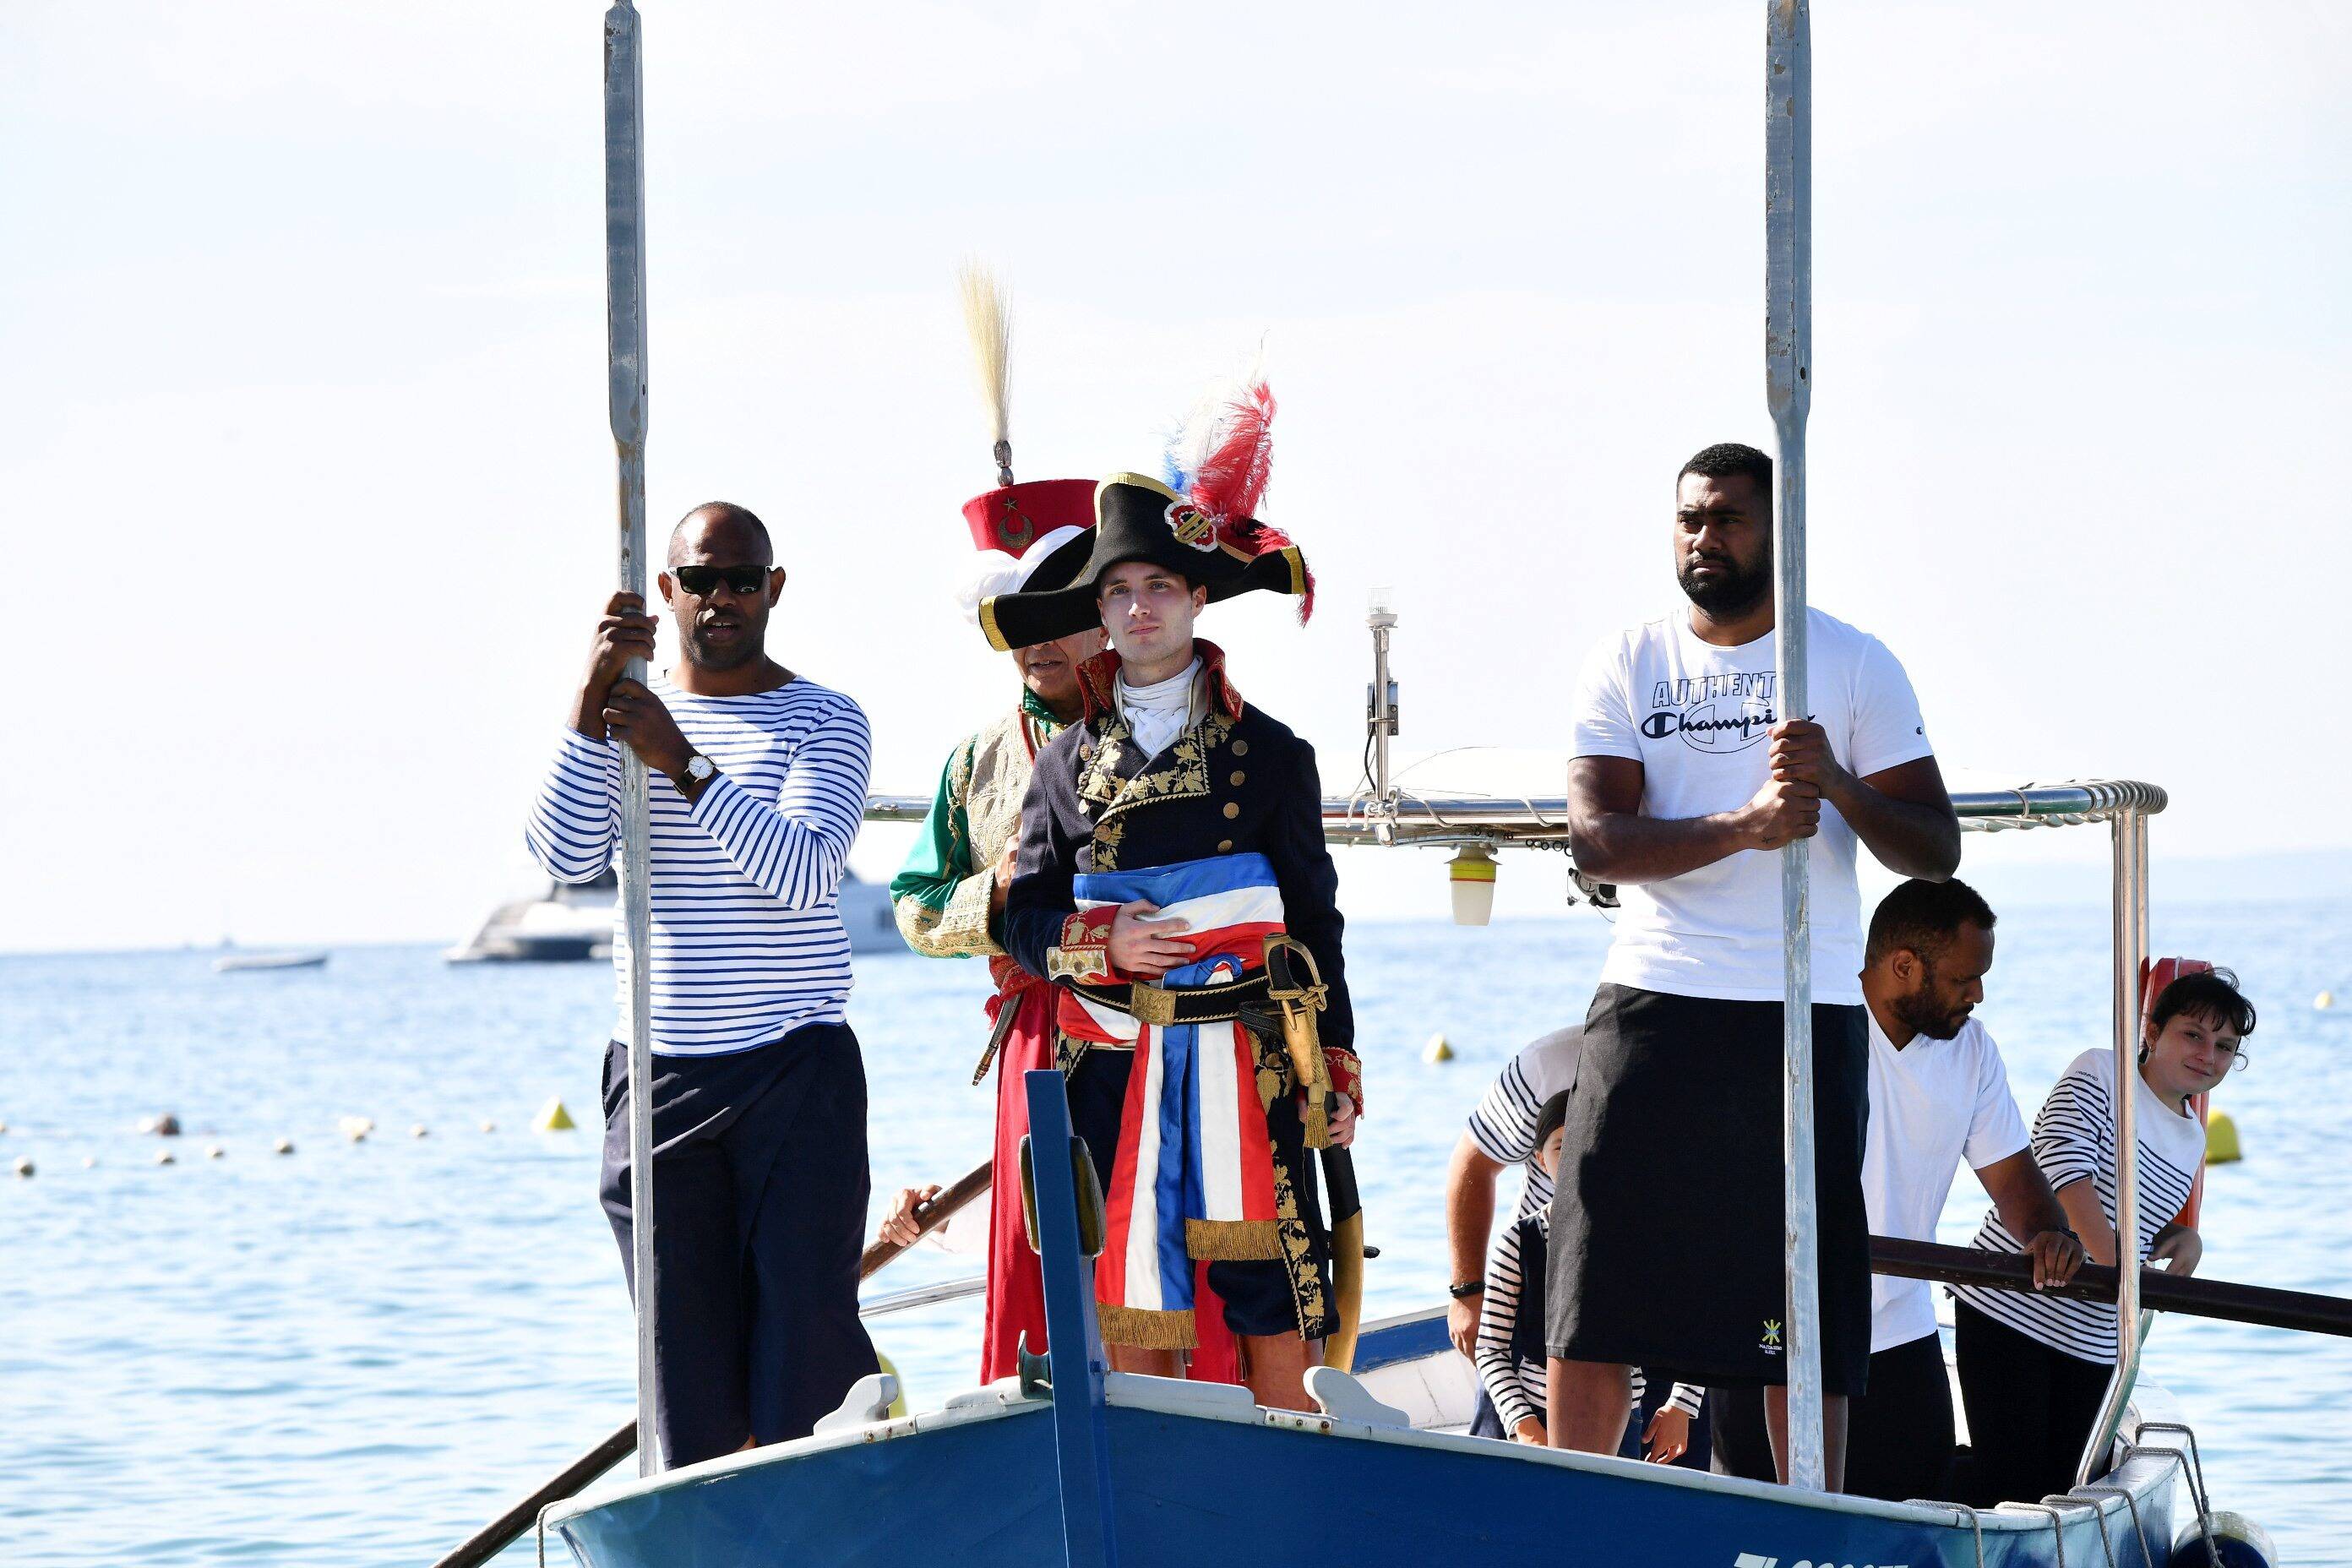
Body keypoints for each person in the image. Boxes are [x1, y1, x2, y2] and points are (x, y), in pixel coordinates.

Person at [1553, 441, 1962, 1485]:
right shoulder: (1629, 658)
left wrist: (1840, 787)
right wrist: (1745, 824)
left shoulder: (1852, 660)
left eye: (1728, 518)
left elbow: (1935, 847)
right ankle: (1576, 1517)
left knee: (1804, 1287)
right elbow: (1597, 839)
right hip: (1655, 992)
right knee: (1594, 1282)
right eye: (1690, 518)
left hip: (1805, 1005)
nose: (1704, 537)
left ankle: (1810, 1510)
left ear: (1779, 533)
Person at [994, 380, 1361, 1412]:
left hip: (1253, 1055)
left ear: (1198, 597)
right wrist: (1101, 944)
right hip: (1114, 1060)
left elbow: (1317, 925)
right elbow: (1021, 918)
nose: (1141, 606)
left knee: (1276, 1287)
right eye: (1120, 591)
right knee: (1131, 1288)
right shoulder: (1063, 764)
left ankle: (1293, 1478)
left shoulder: (1274, 753)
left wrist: (1334, 1065)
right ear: (1098, 612)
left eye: (1161, 584)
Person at [525, 501, 879, 1467]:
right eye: (702, 579)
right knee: (684, 1368)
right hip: (658, 1075)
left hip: (792, 1068)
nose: (723, 598)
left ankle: (825, 1526)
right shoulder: (620, 714)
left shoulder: (825, 718)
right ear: (667, 590)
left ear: (774, 587)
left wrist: (680, 761)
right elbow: (561, 853)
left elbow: (803, 872)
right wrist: (590, 696)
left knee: (805, 1347)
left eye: (743, 578)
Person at [879, 275, 1112, 1383]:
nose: (1039, 645)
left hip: (1176, 1039)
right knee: (1045, 1297)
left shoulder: (1182, 736)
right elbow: (916, 902)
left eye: (1059, 618)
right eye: (1015, 625)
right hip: (1038, 1050)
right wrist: (1012, 910)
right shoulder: (975, 762)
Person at [1710, 878, 2084, 1500]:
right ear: (1904, 966)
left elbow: (2016, 1180)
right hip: (1776, 1332)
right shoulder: (1801, 1025)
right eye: (1965, 979)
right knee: (1763, 1523)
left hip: (1902, 1336)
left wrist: (2051, 1234)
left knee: (1915, 1527)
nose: (1979, 995)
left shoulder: (1973, 1051)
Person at [1952, 967, 2249, 1507]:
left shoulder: (2191, 1137)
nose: (2209, 1054)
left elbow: (2133, 1208)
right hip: (2012, 1311)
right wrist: (2121, 1272)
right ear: (2153, 1032)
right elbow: (2063, 1170)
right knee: (2009, 1486)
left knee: (2063, 1492)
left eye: (2226, 1046)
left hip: (2095, 1339)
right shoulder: (2101, 1072)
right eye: (2194, 1034)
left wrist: (2182, 1236)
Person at [1475, 1092, 1704, 1462]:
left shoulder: (1645, 1239)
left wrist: (1681, 1406)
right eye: (1562, 1146)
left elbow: (1695, 1325)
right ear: (1540, 1159)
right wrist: (1523, 1423)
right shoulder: (1519, 1241)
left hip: (1628, 1423)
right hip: (1538, 1422)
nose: (1576, 1157)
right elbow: (1491, 1348)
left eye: (1588, 1140)